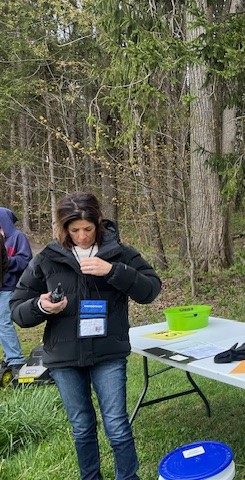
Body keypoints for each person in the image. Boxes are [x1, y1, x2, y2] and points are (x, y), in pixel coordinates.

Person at [11, 192, 162, 480]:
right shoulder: (47, 258)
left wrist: (114, 271)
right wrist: (42, 306)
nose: (82, 236)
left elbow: (151, 290)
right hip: (64, 357)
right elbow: (18, 309)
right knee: (81, 427)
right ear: (64, 228)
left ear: (98, 224)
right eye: (74, 230)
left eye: (88, 229)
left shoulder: (120, 254)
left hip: (108, 352)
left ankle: (128, 478)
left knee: (116, 424)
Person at [0, 207, 32, 375]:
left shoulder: (17, 237)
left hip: (10, 286)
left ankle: (16, 359)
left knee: (3, 322)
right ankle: (9, 355)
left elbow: (26, 260)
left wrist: (6, 261)